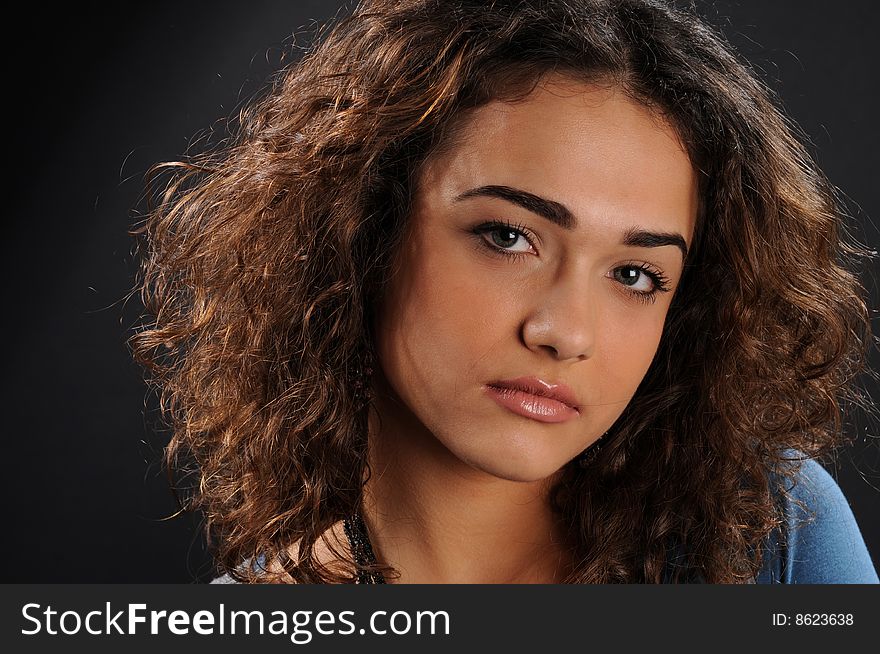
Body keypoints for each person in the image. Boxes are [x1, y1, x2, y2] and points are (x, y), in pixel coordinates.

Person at [131, 0, 878, 584]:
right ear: (365, 229)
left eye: (635, 276)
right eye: (508, 237)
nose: (565, 331)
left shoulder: (769, 537)